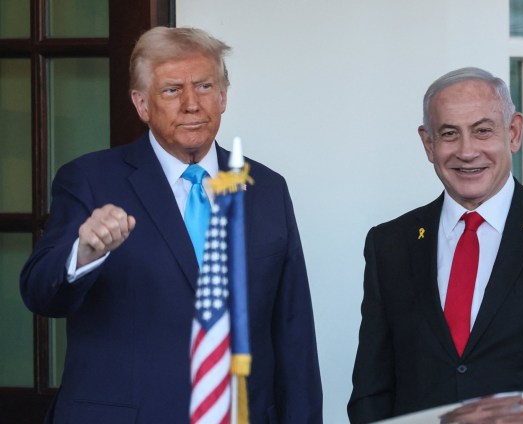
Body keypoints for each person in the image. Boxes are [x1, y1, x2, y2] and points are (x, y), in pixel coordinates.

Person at [20, 26, 322, 424]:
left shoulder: (266, 188)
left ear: (223, 96)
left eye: (203, 86)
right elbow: (40, 292)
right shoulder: (90, 180)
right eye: (172, 90)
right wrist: (84, 253)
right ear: (141, 104)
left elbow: (293, 331)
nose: (192, 104)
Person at [347, 67, 523, 423]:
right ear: (428, 144)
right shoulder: (389, 243)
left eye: (482, 131)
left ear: (514, 132)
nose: (466, 151)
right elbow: (372, 388)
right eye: (449, 134)